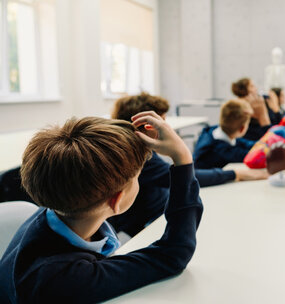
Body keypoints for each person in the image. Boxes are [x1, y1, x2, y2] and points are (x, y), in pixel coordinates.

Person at [0, 113, 203, 302]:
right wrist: (182, 158)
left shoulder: (63, 207)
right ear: (117, 200)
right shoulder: (62, 279)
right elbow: (173, 254)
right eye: (137, 178)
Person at [108, 92, 268, 236]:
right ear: (141, 125)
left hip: (159, 206)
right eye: (160, 123)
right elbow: (176, 176)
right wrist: (235, 174)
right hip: (148, 220)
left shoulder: (142, 149)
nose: (167, 128)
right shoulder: (136, 156)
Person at [193, 99, 257, 169]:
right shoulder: (224, 151)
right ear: (242, 129)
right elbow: (253, 155)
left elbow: (246, 143)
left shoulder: (214, 132)